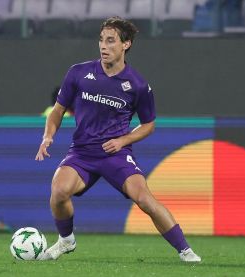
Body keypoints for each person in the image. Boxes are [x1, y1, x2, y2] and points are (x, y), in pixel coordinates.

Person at [35, 16, 201, 263]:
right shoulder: (78, 73)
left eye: (111, 41)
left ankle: (185, 250)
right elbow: (58, 110)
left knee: (144, 199)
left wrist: (123, 141)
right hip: (82, 153)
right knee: (58, 192)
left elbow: (149, 125)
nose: (104, 46)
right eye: (101, 40)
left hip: (116, 154)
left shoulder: (137, 85)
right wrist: (48, 137)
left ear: (126, 44)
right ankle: (66, 241)